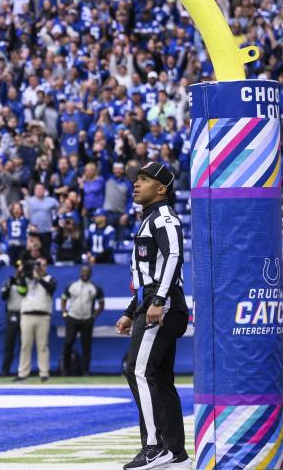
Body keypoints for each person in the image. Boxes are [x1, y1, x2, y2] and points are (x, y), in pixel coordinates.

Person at [117, 162, 190, 470]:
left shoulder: (163, 217)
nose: (136, 184)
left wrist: (158, 300)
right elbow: (148, 272)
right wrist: (130, 311)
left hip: (163, 303)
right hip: (153, 302)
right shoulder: (150, 218)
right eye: (137, 179)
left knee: (137, 370)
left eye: (144, 179)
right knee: (159, 377)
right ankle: (176, 453)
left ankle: (153, 447)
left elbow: (174, 255)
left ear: (161, 188)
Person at [15, 257, 56, 382]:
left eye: (42, 264)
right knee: (25, 345)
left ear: (46, 266)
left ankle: (44, 373)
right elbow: (21, 292)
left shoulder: (50, 279)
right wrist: (22, 275)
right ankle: (22, 374)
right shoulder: (27, 279)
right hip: (27, 315)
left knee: (42, 346)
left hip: (43, 316)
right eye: (37, 265)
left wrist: (38, 277)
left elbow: (51, 289)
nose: (39, 267)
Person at [60, 265, 104, 375]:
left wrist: (94, 315)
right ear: (80, 273)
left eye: (87, 272)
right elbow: (64, 299)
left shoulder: (95, 287)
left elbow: (101, 304)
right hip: (72, 318)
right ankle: (65, 369)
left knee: (86, 345)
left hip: (87, 320)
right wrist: (64, 312)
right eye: (83, 271)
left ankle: (85, 371)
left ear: (90, 273)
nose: (85, 273)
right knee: (68, 343)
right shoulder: (71, 285)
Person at [0, 261, 25, 376]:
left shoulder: (26, 282)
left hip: (25, 314)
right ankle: (5, 370)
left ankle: (23, 370)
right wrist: (10, 286)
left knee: (24, 344)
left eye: (21, 270)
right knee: (9, 343)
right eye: (18, 270)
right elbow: (3, 297)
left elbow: (26, 293)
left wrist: (21, 283)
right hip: (12, 313)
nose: (19, 272)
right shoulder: (9, 281)